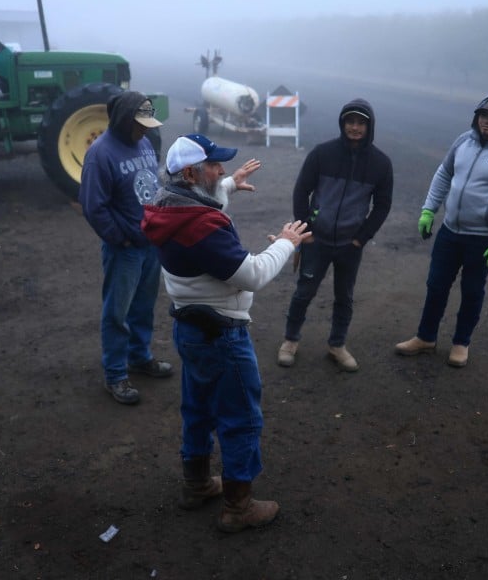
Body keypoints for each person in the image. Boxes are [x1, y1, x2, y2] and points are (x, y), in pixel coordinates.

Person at [141, 133, 311, 533]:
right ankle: (239, 507)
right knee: (240, 419)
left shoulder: (168, 207)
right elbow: (251, 275)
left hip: (191, 328)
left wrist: (229, 183)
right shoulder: (201, 227)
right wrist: (287, 244)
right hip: (222, 335)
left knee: (197, 410)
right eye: (214, 166)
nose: (220, 171)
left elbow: (204, 200)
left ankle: (196, 484)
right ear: (189, 172)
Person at [394, 93, 488, 367]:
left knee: (472, 291)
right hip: (450, 231)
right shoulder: (463, 141)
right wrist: (428, 209)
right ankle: (426, 337)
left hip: (483, 238)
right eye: (482, 115)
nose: (485, 121)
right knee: (436, 285)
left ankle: (461, 343)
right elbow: (444, 173)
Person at [277, 98, 393, 371]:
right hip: (316, 240)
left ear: (369, 126)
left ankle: (337, 345)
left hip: (349, 246)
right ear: (342, 123)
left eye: (360, 123)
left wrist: (360, 238)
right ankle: (290, 341)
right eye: (350, 122)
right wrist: (304, 231)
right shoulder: (322, 154)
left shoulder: (380, 164)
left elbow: (383, 205)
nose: (354, 127)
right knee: (304, 292)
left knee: (345, 297)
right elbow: (301, 191)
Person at [80, 91, 173, 405]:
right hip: (126, 249)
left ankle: (139, 357)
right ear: (123, 120)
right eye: (140, 124)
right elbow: (94, 207)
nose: (146, 129)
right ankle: (116, 374)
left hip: (151, 244)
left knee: (143, 307)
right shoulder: (100, 154)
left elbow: (152, 185)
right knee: (117, 313)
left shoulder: (144, 143)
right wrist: (122, 238)